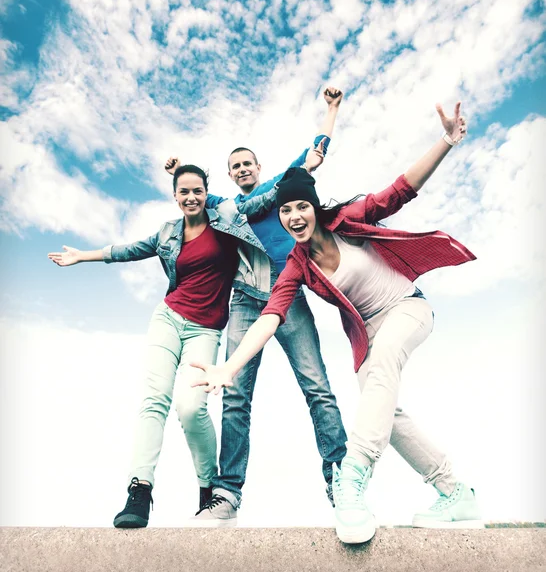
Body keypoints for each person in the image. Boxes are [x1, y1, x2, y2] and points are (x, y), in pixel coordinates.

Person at [192, 102, 484, 542]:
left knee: (379, 369)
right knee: (382, 407)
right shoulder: (295, 263)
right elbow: (271, 316)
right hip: (369, 333)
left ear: (313, 207)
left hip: (407, 307)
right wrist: (229, 368)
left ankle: (350, 479)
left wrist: (446, 140)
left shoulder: (348, 219)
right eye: (285, 211)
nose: (293, 217)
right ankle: (454, 493)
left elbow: (398, 191)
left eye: (300, 208)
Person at [47, 164, 280, 529]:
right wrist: (83, 255)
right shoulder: (168, 232)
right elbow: (128, 250)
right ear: (175, 196)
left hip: (205, 330)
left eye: (197, 191)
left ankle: (209, 489)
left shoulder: (228, 218)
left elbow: (265, 199)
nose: (190, 197)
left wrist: (307, 165)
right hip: (168, 319)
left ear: (207, 193)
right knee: (154, 400)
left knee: (190, 408)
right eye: (183, 192)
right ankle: (139, 490)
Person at [165, 87, 348, 526]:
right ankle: (226, 494)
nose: (243, 169)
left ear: (258, 167)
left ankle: (341, 479)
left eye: (247, 163)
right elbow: (190, 195)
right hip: (245, 301)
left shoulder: (278, 186)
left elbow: (316, 153)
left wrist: (331, 110)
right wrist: (174, 171)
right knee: (234, 396)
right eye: (235, 166)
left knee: (316, 386)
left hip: (289, 295)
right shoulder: (224, 206)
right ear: (230, 174)